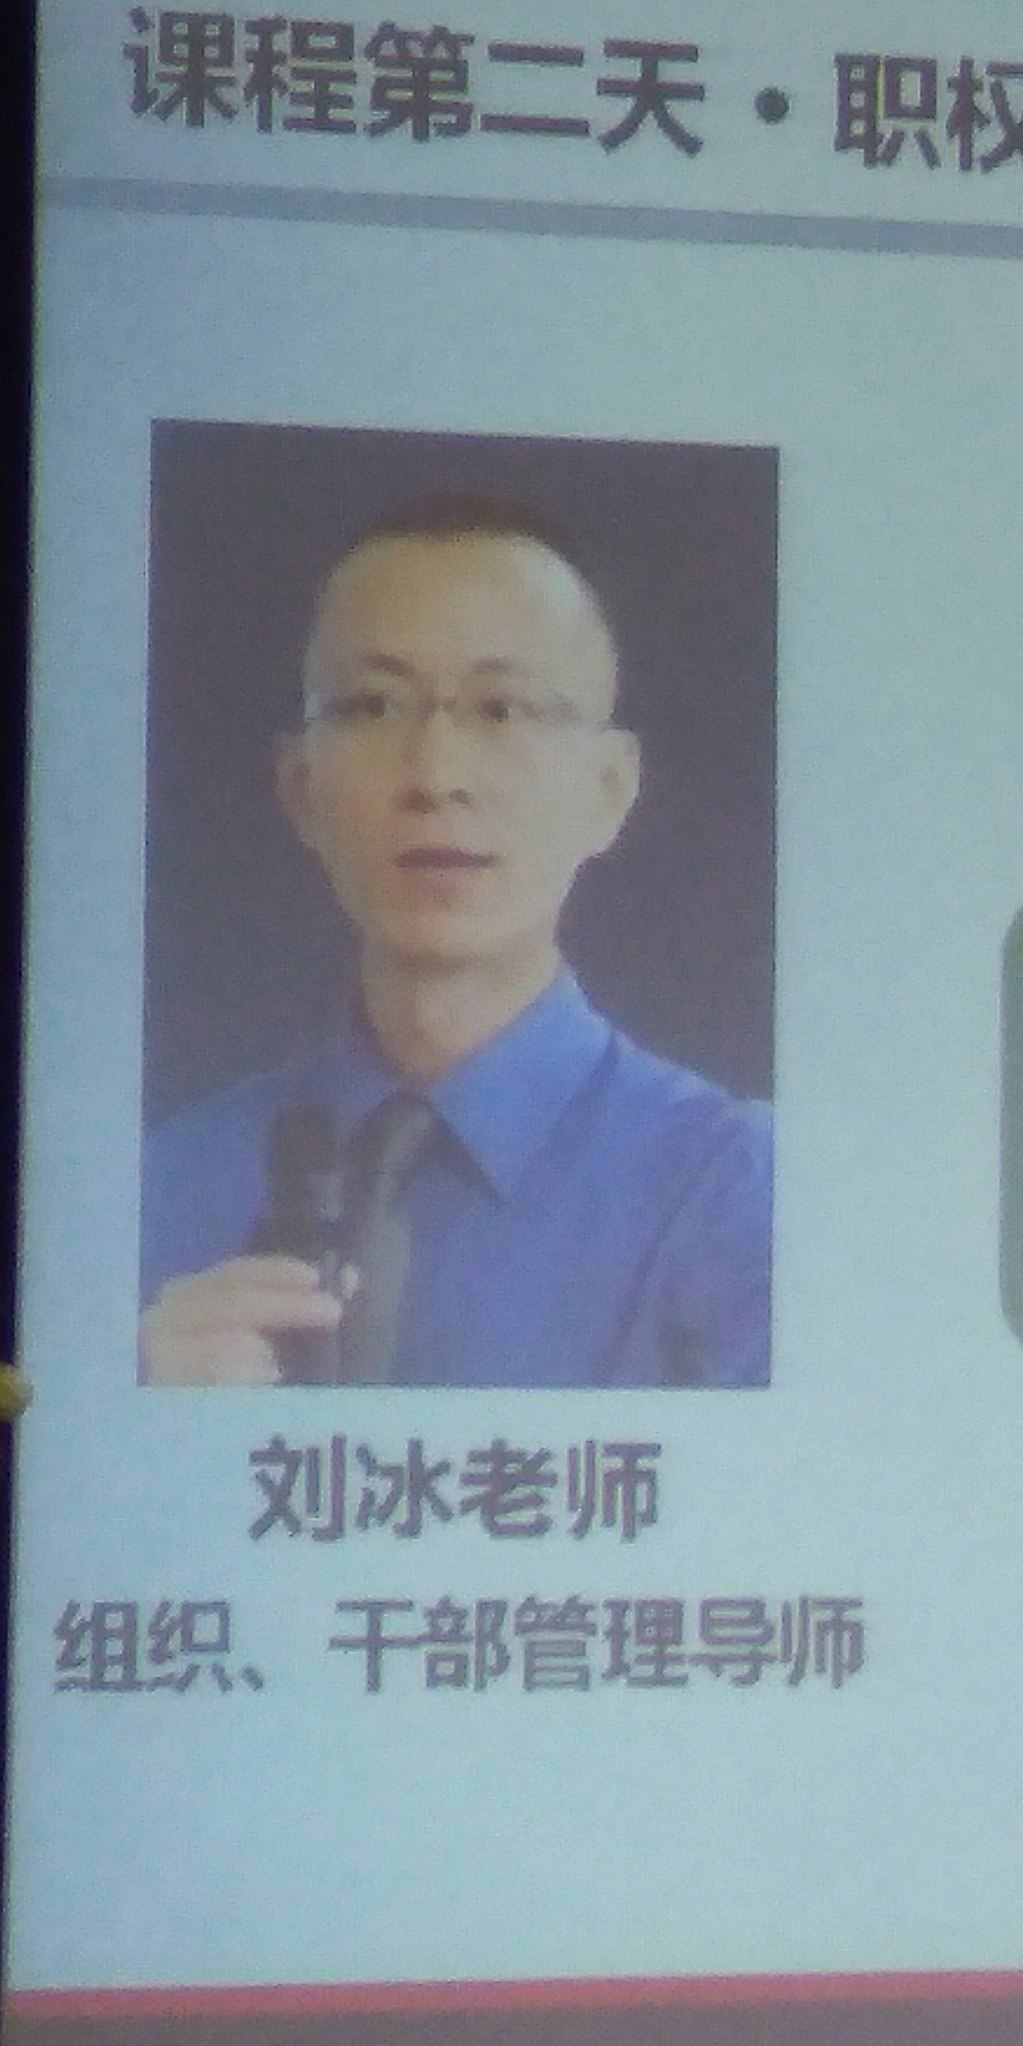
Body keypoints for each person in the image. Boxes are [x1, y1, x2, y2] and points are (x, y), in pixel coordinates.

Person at [139, 495, 771, 1389]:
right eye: (372, 705)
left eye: (503, 709)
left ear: (609, 788)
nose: (437, 777)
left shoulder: (736, 1192)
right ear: (300, 787)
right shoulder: (160, 1186)